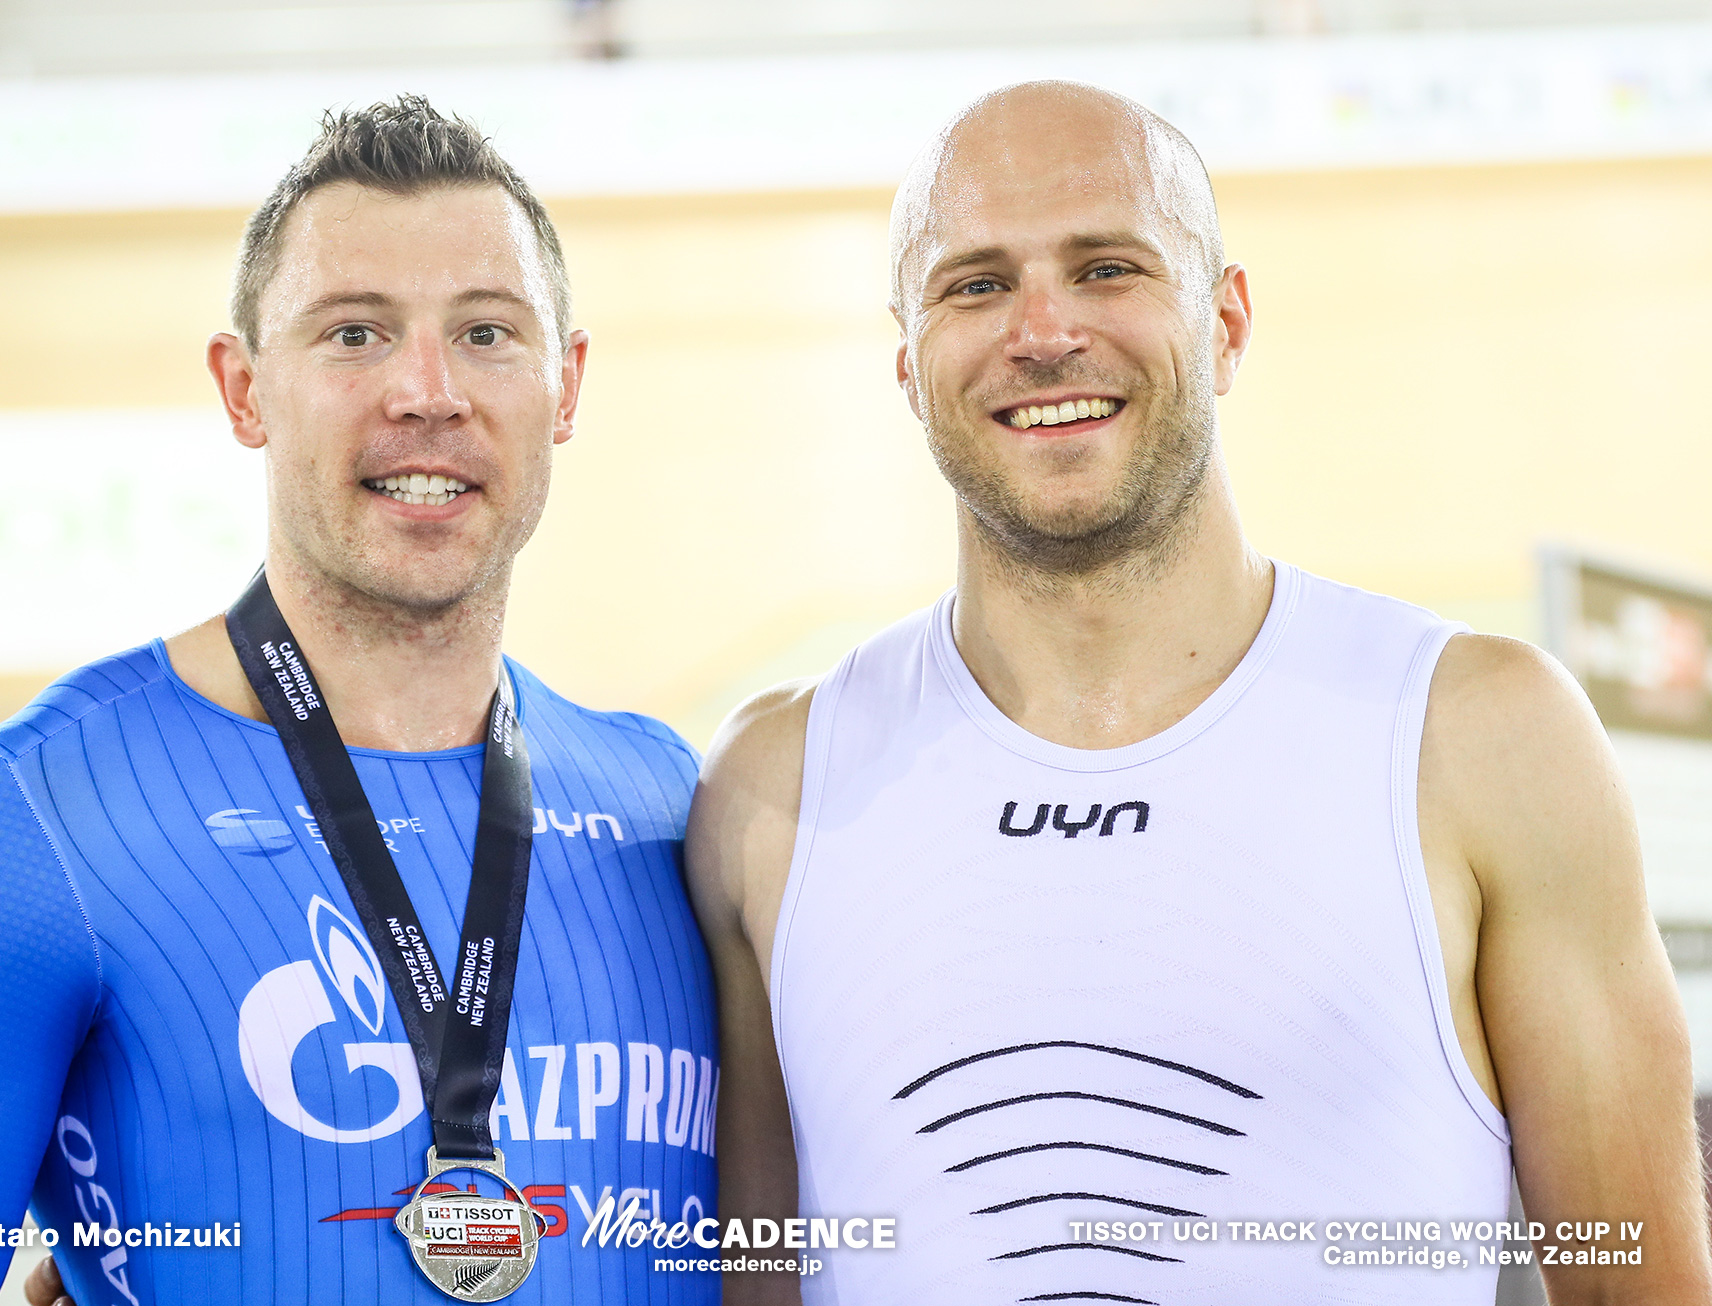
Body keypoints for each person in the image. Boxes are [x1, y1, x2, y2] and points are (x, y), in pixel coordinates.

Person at [687, 81, 1712, 1305]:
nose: (1042, 329)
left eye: (1107, 266)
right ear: (907, 363)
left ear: (1225, 320)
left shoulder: (1480, 737)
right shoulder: (772, 787)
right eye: (975, 283)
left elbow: (1634, 1286)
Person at [0, 97, 719, 1306]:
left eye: (488, 332)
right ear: (244, 390)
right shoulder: (27, 822)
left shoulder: (673, 809)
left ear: (566, 386)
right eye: (353, 334)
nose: (427, 390)